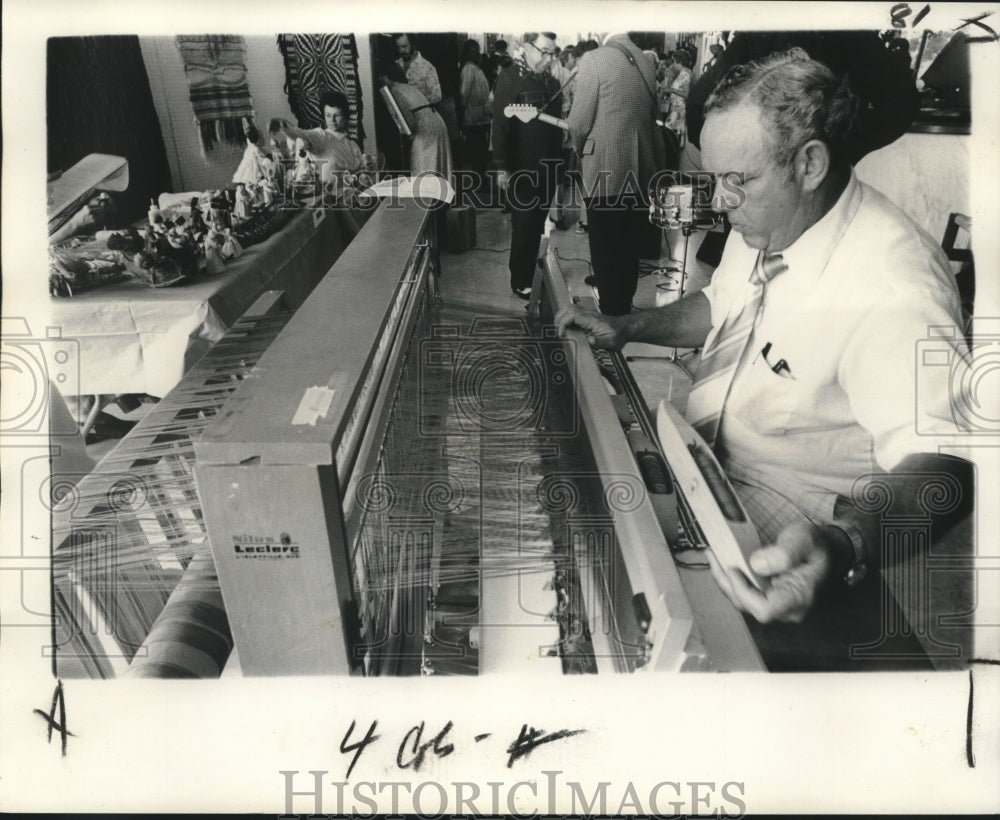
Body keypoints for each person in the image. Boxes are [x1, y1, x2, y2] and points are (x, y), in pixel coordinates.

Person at [556, 48, 973, 625]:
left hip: (796, 521)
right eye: (715, 179)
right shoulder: (771, 219)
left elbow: (946, 466)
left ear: (809, 164)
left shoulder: (890, 287)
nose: (721, 204)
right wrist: (628, 328)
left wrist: (842, 544)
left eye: (737, 180)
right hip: (709, 466)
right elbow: (722, 303)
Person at [566, 32, 666, 315]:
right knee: (628, 244)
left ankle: (611, 314)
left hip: (605, 167)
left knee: (605, 242)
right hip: (641, 166)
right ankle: (623, 303)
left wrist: (580, 149)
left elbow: (578, 121)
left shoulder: (594, 59)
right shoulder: (646, 62)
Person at [490, 32, 564, 300]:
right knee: (524, 223)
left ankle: (531, 271)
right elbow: (500, 126)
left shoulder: (551, 81)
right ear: (525, 47)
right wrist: (501, 167)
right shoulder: (510, 78)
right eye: (544, 51)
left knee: (538, 223)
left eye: (553, 53)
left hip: (549, 166)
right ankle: (520, 279)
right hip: (522, 167)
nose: (549, 57)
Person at [269, 91, 364, 196]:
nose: (332, 120)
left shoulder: (353, 146)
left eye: (337, 115)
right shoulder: (321, 136)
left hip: (353, 201)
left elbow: (361, 177)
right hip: (330, 204)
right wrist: (284, 127)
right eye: (328, 115)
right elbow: (304, 134)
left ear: (345, 116)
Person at [378, 62, 453, 180]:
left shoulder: (395, 91)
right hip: (436, 121)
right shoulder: (407, 87)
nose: (380, 79)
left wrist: (409, 135)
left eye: (381, 76)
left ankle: (427, 195)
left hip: (425, 126)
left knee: (422, 163)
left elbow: (409, 119)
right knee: (436, 164)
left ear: (387, 76)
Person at [458, 39, 492, 179]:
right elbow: (463, 95)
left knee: (481, 154)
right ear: (467, 53)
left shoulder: (476, 68)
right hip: (473, 119)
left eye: (478, 50)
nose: (477, 53)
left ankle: (481, 179)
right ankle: (479, 181)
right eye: (473, 51)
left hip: (481, 118)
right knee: (477, 154)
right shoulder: (468, 69)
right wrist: (461, 118)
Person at [396, 34, 442, 107]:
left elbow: (437, 96)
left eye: (404, 46)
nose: (401, 50)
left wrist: (416, 101)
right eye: (398, 47)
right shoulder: (396, 65)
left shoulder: (428, 68)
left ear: (413, 45)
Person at [664, 49, 693, 140]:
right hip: (677, 108)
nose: (673, 64)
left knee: (668, 131)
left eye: (674, 61)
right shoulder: (686, 72)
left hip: (680, 109)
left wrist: (672, 90)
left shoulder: (685, 74)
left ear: (678, 61)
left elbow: (687, 94)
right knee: (673, 134)